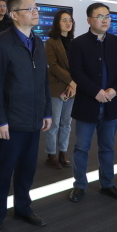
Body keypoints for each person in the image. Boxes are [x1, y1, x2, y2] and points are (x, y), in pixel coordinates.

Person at [0, 0, 52, 232]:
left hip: (34, 119)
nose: (35, 12)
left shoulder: (38, 42)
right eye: (29, 9)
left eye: (36, 8)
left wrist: (47, 111)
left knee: (27, 169)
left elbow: (43, 80)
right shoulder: (1, 44)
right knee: (3, 171)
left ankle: (23, 208)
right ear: (14, 15)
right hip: (10, 122)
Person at [68, 3, 117, 203]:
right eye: (100, 16)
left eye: (107, 16)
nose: (105, 20)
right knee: (81, 148)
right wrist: (96, 92)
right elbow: (76, 72)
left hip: (111, 104)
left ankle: (107, 184)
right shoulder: (78, 43)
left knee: (107, 147)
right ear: (89, 20)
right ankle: (79, 185)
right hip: (87, 104)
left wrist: (114, 90)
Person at [44, 9, 76, 169]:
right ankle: (51, 154)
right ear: (57, 23)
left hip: (72, 89)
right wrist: (71, 80)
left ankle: (63, 152)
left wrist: (73, 83)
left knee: (66, 124)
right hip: (57, 88)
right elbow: (54, 66)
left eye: (70, 20)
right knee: (54, 124)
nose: (68, 23)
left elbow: (79, 66)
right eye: (64, 20)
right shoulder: (51, 42)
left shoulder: (74, 42)